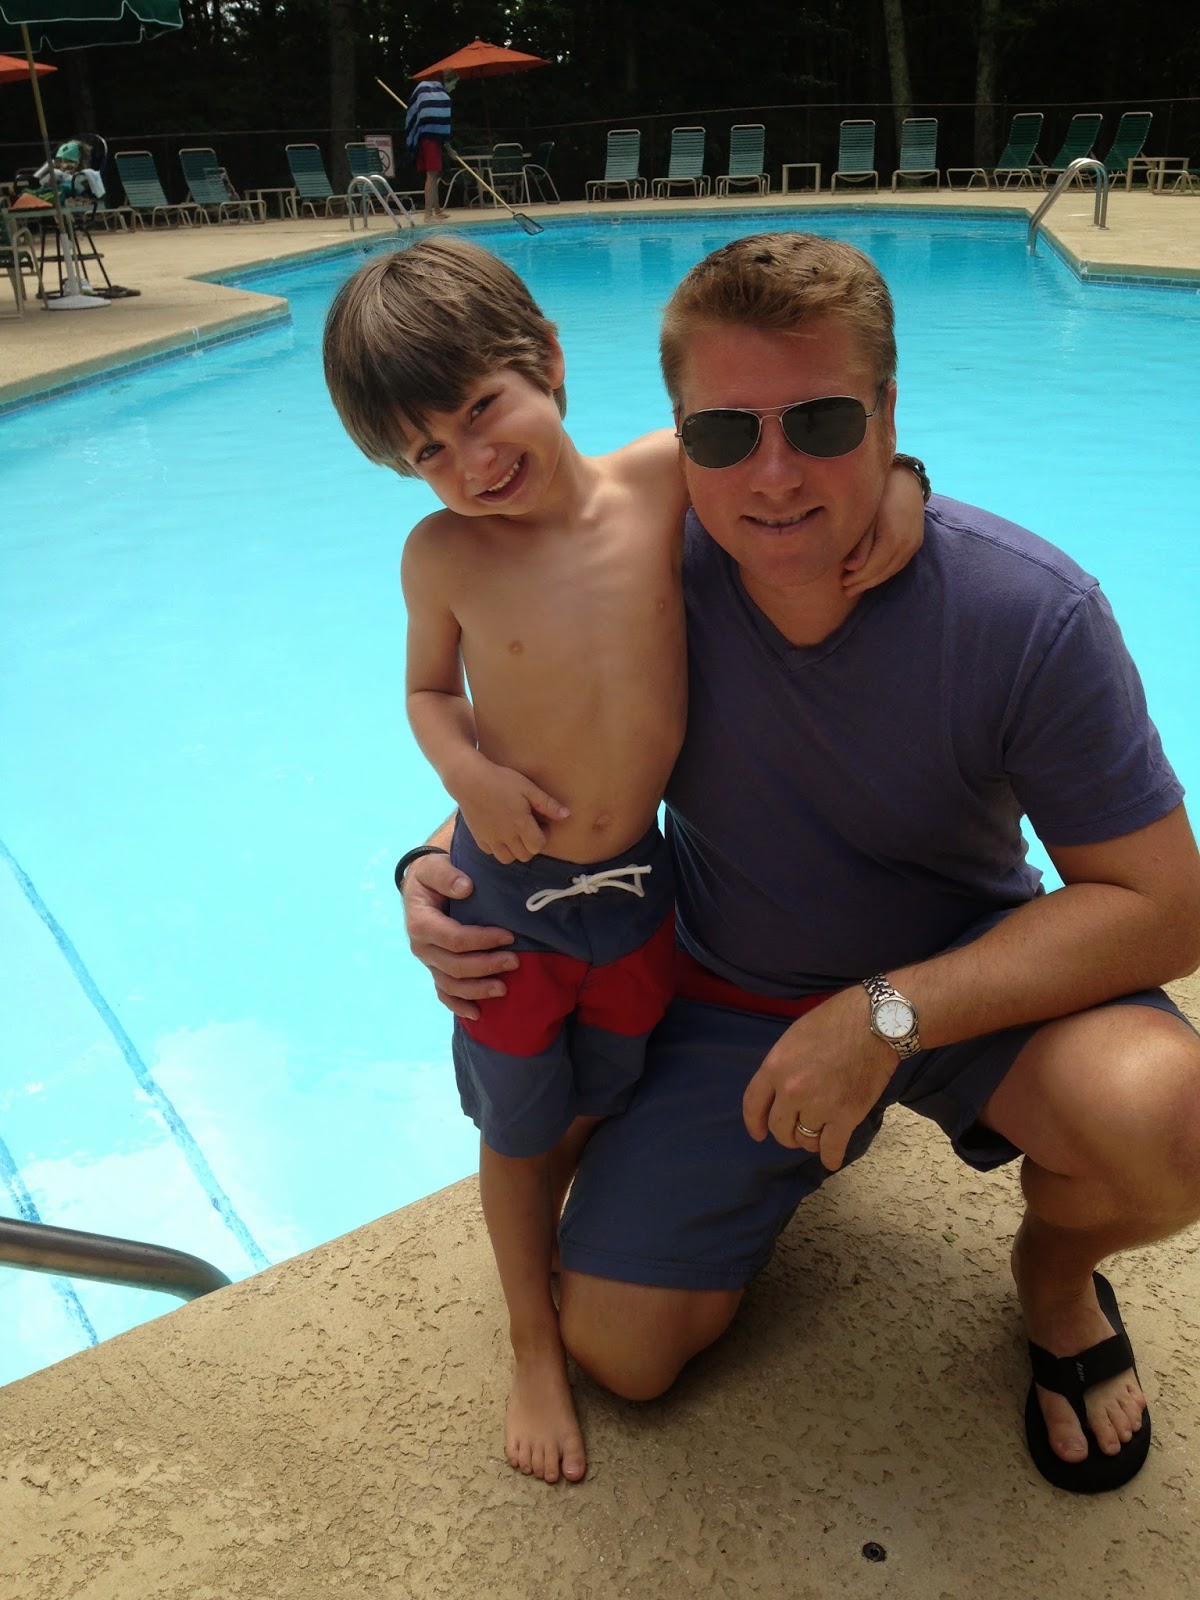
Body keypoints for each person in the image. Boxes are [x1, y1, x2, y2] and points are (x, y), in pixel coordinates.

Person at [401, 230, 1200, 1497]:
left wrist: (884, 1015)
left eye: (823, 422)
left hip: (969, 979)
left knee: (1172, 1122)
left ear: (889, 411)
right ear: (680, 438)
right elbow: (532, 734)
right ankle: (789, 1138)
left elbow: (1168, 909)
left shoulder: (1027, 611)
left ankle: (1053, 1281)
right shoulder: (648, 561)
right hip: (734, 995)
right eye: (725, 434)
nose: (771, 476)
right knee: (621, 1351)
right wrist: (427, 864)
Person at [321, 235, 928, 1486]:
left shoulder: (660, 483)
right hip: (513, 910)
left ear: (546, 359)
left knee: (608, 1085)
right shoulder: (443, 555)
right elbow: (429, 691)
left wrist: (907, 484)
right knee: (519, 1128)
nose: (471, 462)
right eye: (426, 452)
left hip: (642, 894)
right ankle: (530, 1341)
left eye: (481, 409)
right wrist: (468, 779)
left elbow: (793, 474)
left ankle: (592, 1230)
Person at [404, 72, 455, 222]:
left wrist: (449, 149)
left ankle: (437, 210)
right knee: (432, 175)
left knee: (434, 175)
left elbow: (433, 121)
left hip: (423, 138)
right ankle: (428, 214)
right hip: (430, 141)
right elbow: (441, 127)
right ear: (448, 81)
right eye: (454, 83)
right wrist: (449, 149)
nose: (454, 87)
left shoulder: (426, 91)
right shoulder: (443, 98)